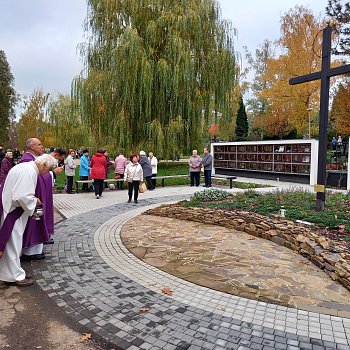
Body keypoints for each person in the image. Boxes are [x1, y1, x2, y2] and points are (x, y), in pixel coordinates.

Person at [0, 154, 57, 287]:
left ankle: (12, 272)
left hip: (10, 209)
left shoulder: (25, 167)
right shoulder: (29, 171)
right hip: (13, 213)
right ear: (43, 165)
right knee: (13, 245)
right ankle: (15, 276)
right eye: (48, 169)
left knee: (11, 245)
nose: (47, 172)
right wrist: (34, 201)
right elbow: (20, 196)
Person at [20, 139, 65, 259]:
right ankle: (30, 250)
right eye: (39, 144)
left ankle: (35, 247)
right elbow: (39, 177)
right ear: (31, 146)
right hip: (34, 199)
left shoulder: (32, 159)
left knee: (38, 219)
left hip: (37, 198)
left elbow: (41, 175)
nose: (41, 146)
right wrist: (53, 173)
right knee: (35, 220)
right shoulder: (27, 160)